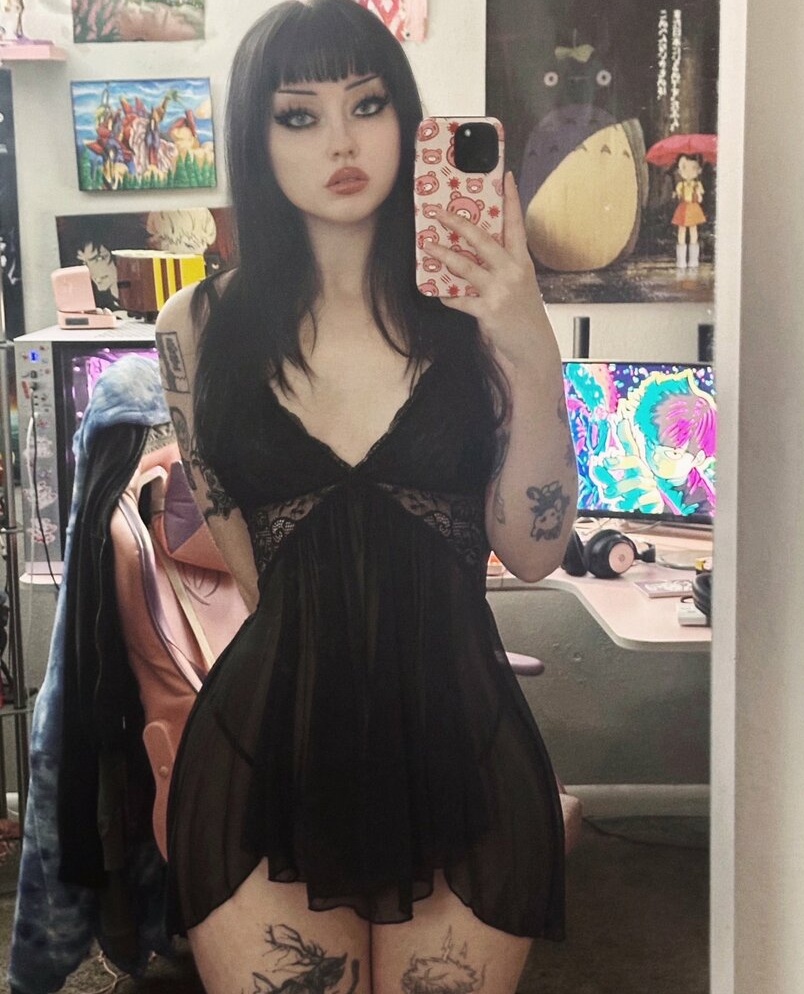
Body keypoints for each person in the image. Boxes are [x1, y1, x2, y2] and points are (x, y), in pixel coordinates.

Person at [155, 2, 577, 992]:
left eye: (368, 103)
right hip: (275, 745)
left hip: (459, 741)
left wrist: (528, 341)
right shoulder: (196, 327)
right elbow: (253, 571)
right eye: (299, 115)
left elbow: (535, 550)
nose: (341, 141)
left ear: (407, 116)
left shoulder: (479, 313)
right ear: (256, 139)